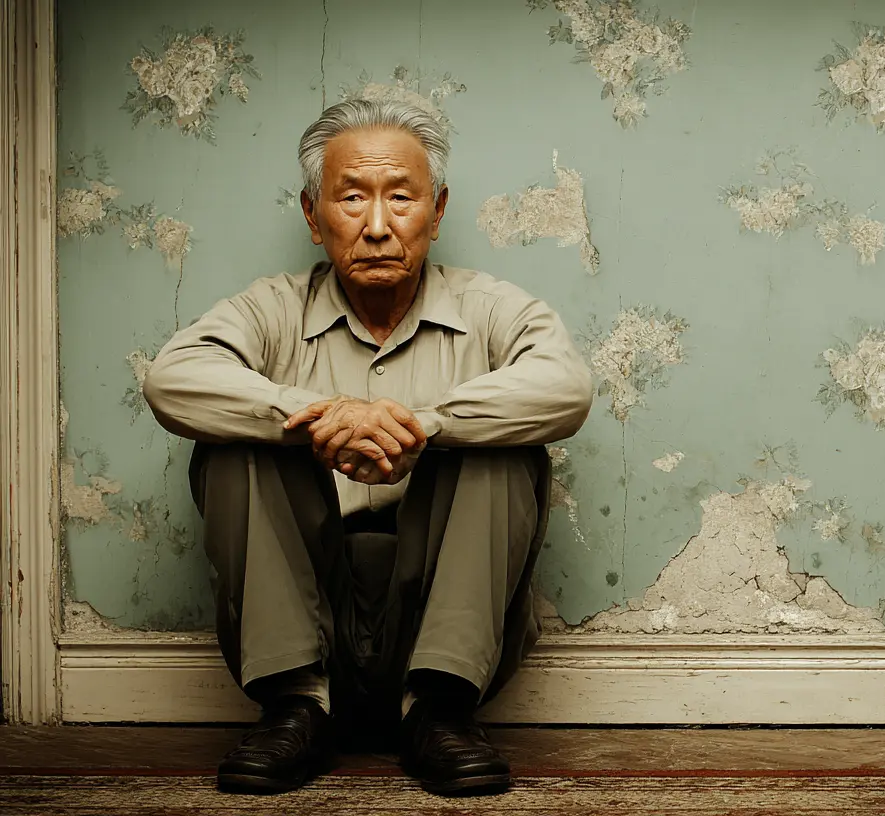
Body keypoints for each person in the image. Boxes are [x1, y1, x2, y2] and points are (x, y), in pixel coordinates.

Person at [143, 98, 594, 796]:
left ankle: (439, 708)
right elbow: (172, 380)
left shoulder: (495, 308)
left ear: (437, 212)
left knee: (507, 443)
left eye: (401, 198)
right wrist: (319, 414)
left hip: (444, 627)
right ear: (312, 215)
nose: (378, 226)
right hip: (305, 618)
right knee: (237, 438)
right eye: (352, 198)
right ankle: (295, 703)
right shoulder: (271, 307)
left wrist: (425, 424)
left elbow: (566, 388)